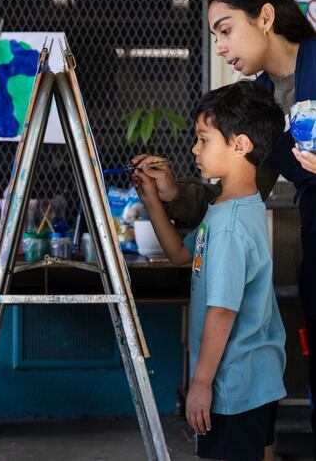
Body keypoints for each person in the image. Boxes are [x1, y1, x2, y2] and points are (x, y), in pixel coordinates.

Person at [136, 0, 316, 451]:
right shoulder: (259, 100)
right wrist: (171, 193)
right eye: (215, 35)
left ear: (266, 16)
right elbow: (243, 189)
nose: (219, 45)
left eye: (225, 29)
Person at [133, 81, 286, 461]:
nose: (194, 149)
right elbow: (181, 255)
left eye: (203, 139)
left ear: (240, 145)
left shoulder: (230, 226)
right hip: (256, 377)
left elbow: (222, 310)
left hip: (233, 384)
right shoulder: (227, 208)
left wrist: (201, 384)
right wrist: (152, 199)